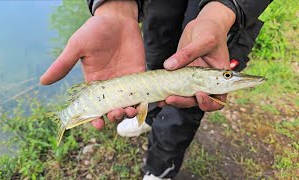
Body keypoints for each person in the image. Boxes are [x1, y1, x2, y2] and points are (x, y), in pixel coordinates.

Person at [40, 0, 272, 179]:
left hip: (216, 13)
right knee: (153, 56)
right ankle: (148, 117)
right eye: (227, 76)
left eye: (227, 76)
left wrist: (222, 12)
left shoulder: (201, 76)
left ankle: (161, 167)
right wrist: (115, 6)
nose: (229, 78)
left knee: (188, 104)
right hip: (157, 6)